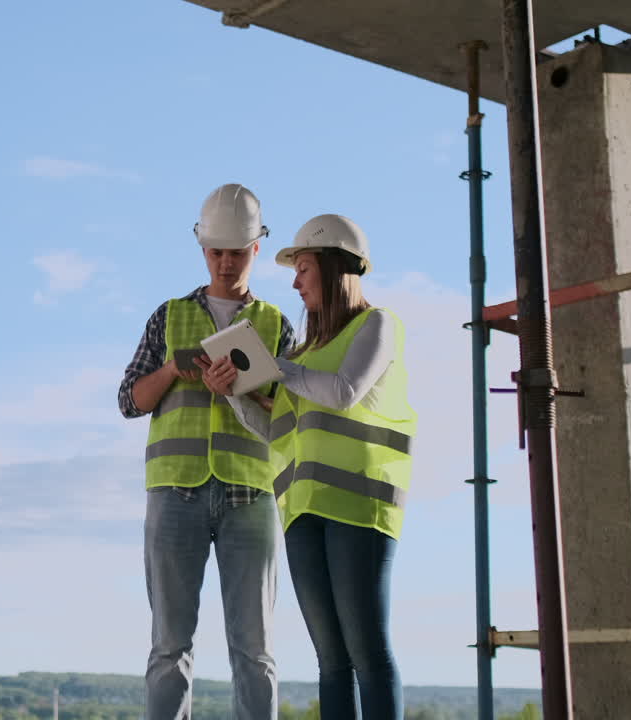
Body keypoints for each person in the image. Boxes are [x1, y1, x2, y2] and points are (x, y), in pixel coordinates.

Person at [220, 214, 417, 720]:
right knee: (331, 662)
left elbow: (345, 392)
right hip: (303, 514)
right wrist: (239, 394)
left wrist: (275, 365)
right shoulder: (303, 353)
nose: (295, 281)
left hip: (359, 506)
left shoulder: (377, 324)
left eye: (303, 268)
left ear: (332, 268)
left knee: (367, 653)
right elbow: (277, 432)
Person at [118, 183, 295, 720]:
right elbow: (129, 400)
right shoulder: (168, 316)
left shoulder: (276, 325)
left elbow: (292, 421)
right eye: (216, 251)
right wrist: (173, 369)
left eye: (235, 252)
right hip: (176, 493)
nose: (224, 262)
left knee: (254, 648)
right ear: (202, 248)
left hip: (250, 495)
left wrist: (243, 389)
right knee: (170, 644)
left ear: (256, 249)